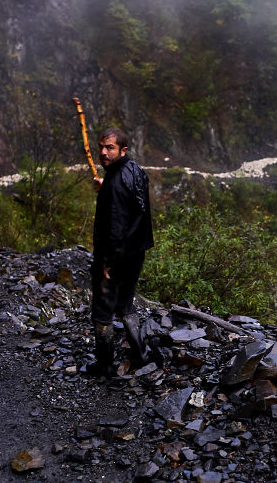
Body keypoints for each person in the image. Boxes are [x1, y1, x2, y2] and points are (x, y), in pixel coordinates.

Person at [87, 127, 154, 377]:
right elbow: (133, 202)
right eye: (101, 147)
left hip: (117, 255)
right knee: (125, 303)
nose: (103, 152)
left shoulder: (115, 184)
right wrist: (105, 186)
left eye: (110, 148)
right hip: (136, 253)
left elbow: (115, 228)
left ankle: (104, 365)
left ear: (123, 150)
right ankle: (141, 354)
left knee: (103, 311)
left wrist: (107, 262)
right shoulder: (135, 170)